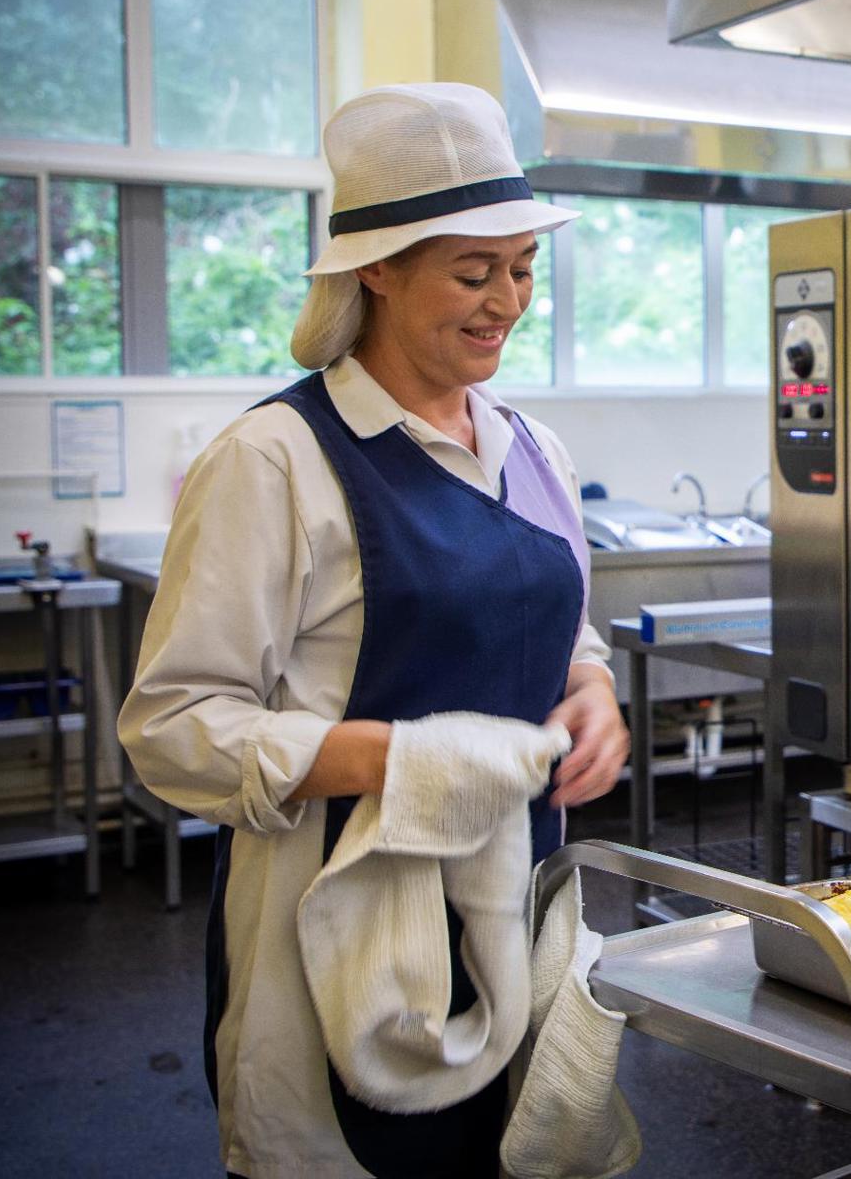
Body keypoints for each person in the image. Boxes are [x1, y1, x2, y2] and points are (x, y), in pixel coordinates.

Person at [119, 83, 630, 1178]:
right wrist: (403, 761)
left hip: (517, 896)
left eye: (524, 269)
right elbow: (171, 725)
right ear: (377, 271)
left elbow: (563, 629)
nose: (507, 301)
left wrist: (591, 690)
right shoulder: (276, 458)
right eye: (474, 270)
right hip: (338, 917)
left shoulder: (534, 449)